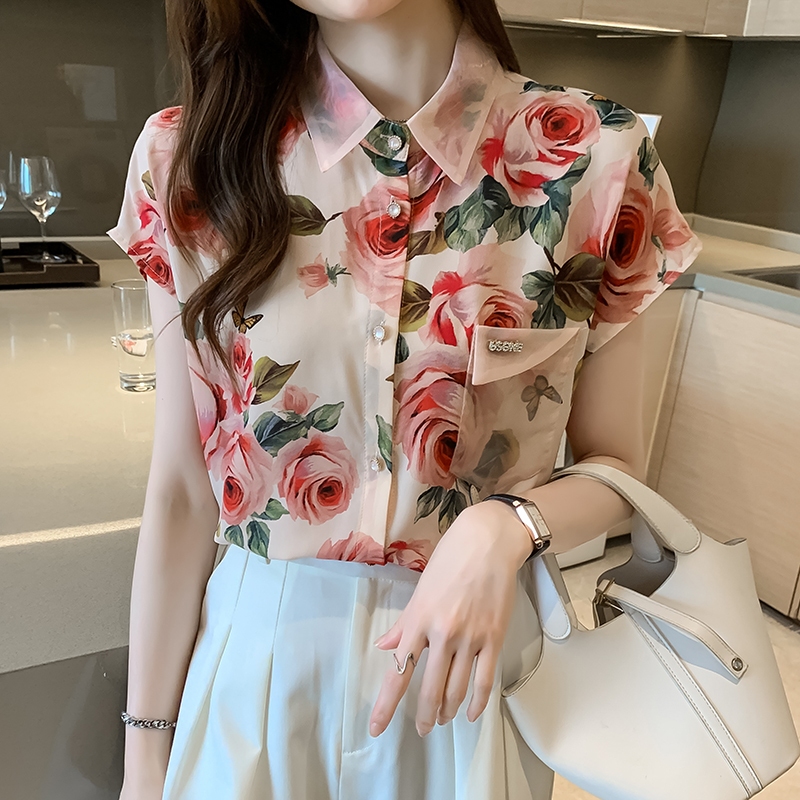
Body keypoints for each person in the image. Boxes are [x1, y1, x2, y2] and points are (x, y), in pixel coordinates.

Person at [107, 0, 702, 797]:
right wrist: (145, 753)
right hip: (256, 670)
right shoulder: (189, 156)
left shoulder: (597, 156)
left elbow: (618, 468)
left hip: (471, 677)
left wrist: (507, 526)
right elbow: (182, 491)